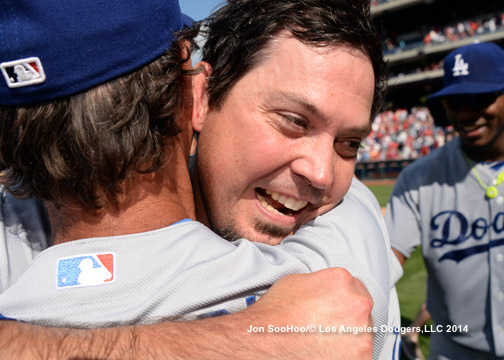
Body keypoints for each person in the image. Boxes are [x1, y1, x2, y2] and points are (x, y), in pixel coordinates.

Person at [0, 0, 400, 358]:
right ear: (200, 96)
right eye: (293, 121)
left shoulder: (14, 263)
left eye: (350, 144)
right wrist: (238, 337)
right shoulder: (334, 268)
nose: (321, 172)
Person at [386, 42, 504, 359]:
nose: (466, 113)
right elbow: (383, 267)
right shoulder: (418, 179)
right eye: (455, 101)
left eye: (480, 98)